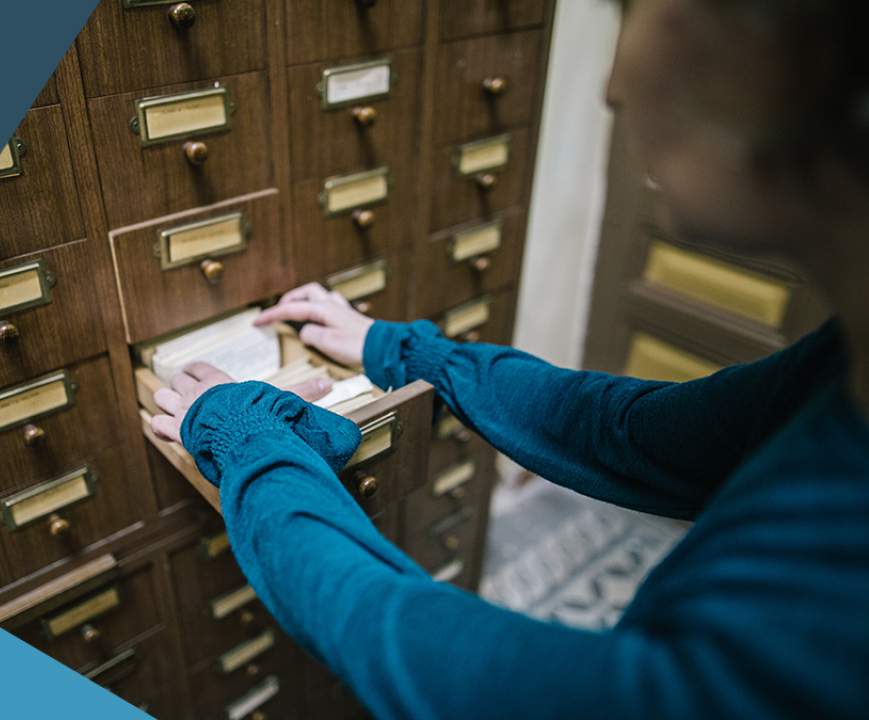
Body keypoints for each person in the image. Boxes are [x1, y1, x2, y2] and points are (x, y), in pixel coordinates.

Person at [148, 0, 869, 717]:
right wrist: (403, 351)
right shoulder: (839, 371)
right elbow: (624, 430)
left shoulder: (823, 614)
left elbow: (450, 666)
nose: (611, 87)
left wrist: (247, 444)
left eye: (634, 8)